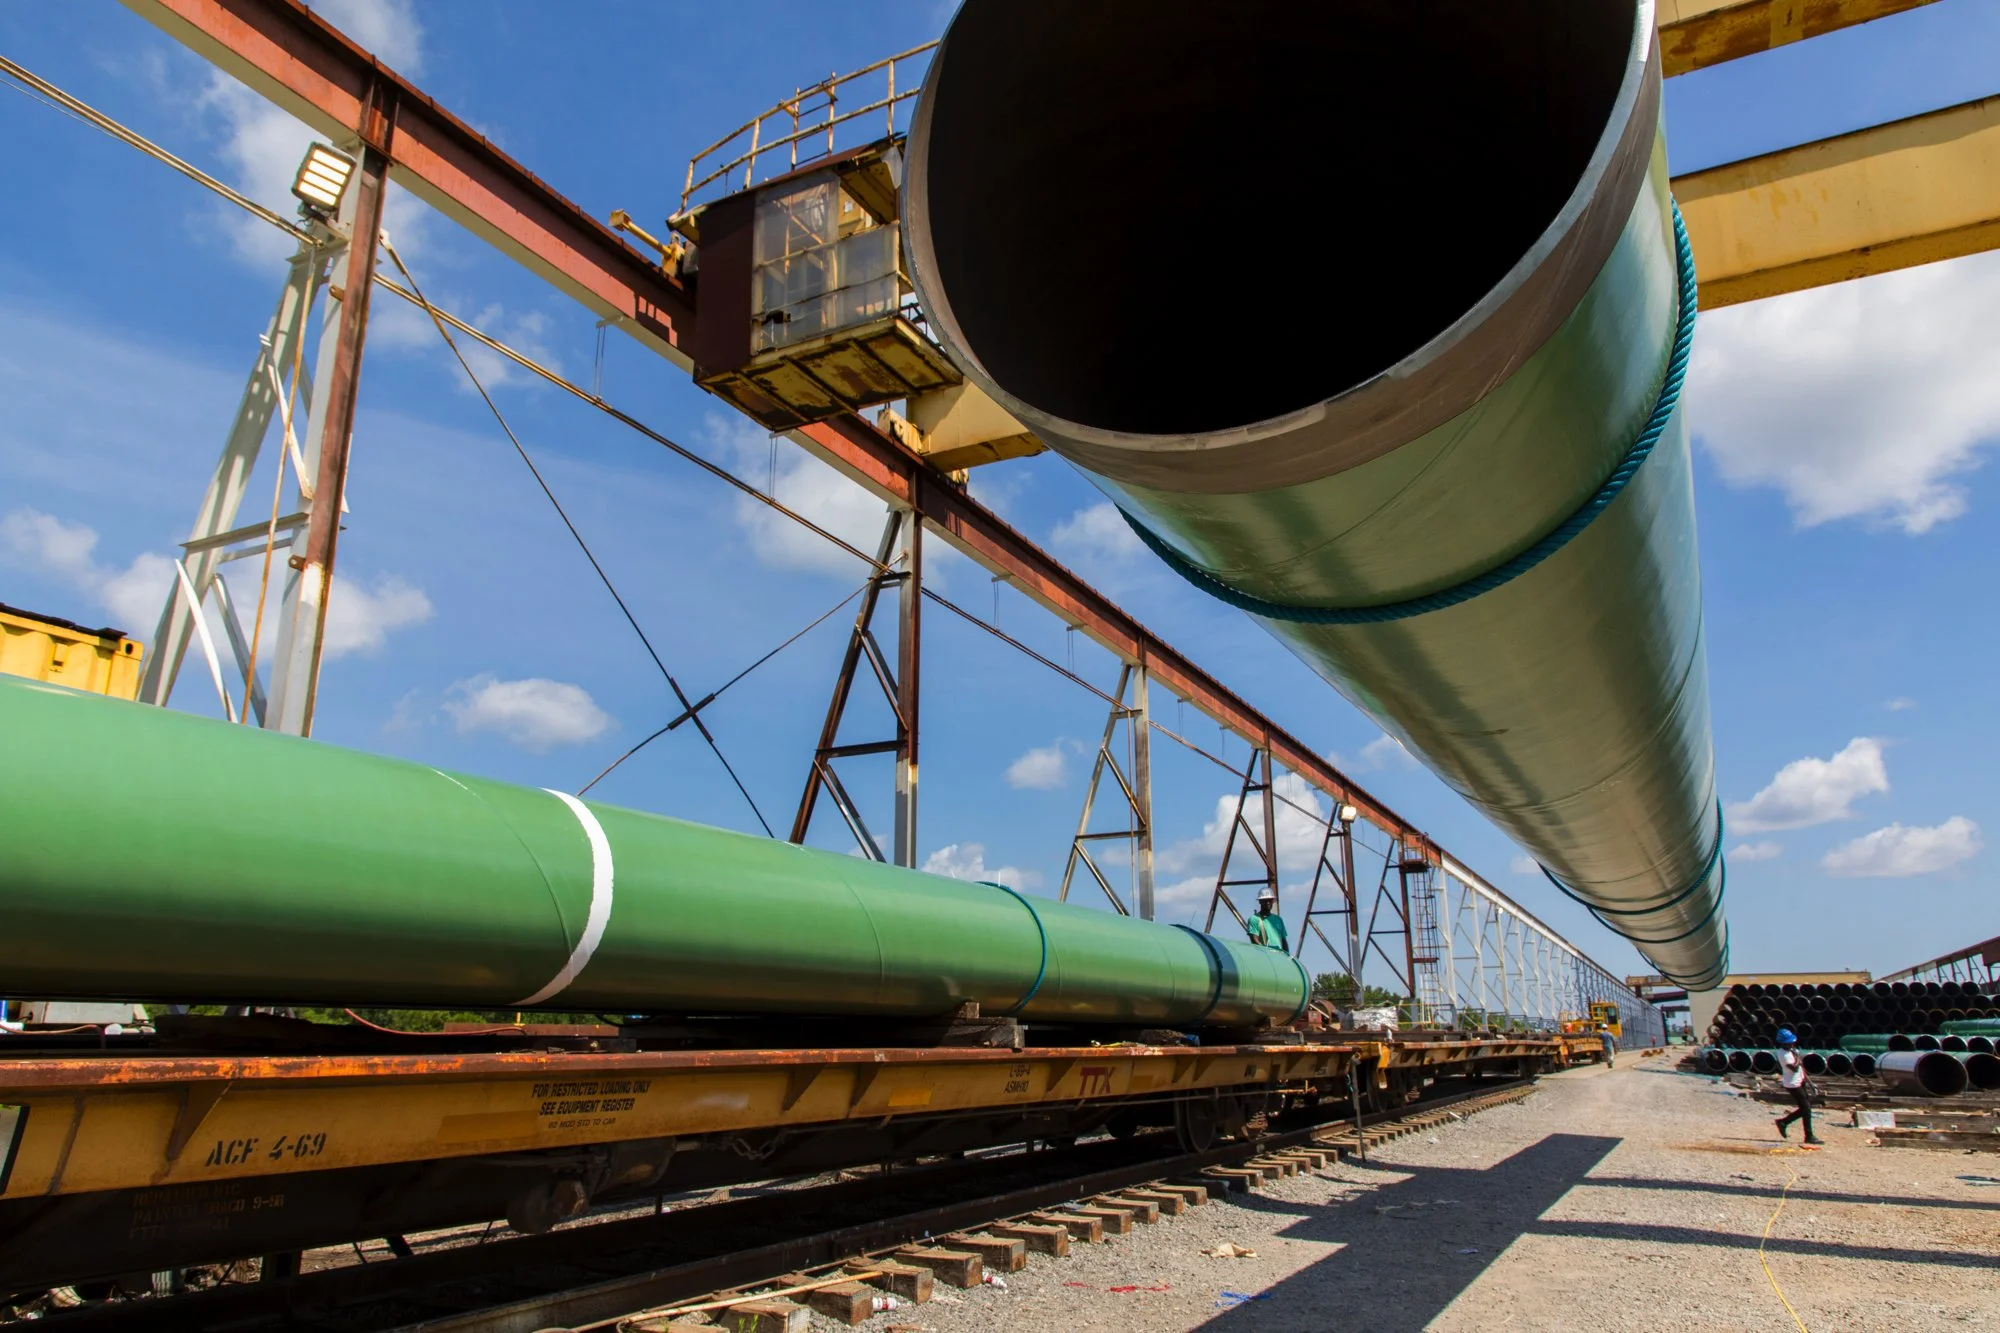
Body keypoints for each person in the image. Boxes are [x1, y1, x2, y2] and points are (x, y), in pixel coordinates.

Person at [1772, 1027, 1822, 1145]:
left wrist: (1810, 1083)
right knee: (1806, 1109)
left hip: (1800, 1081)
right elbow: (1794, 1068)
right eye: (1789, 1043)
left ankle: (1784, 1122)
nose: (1791, 1044)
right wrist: (1798, 1057)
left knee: (1805, 1108)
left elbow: (1801, 1068)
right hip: (1792, 1084)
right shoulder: (1783, 1054)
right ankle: (1808, 1135)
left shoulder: (1792, 1052)